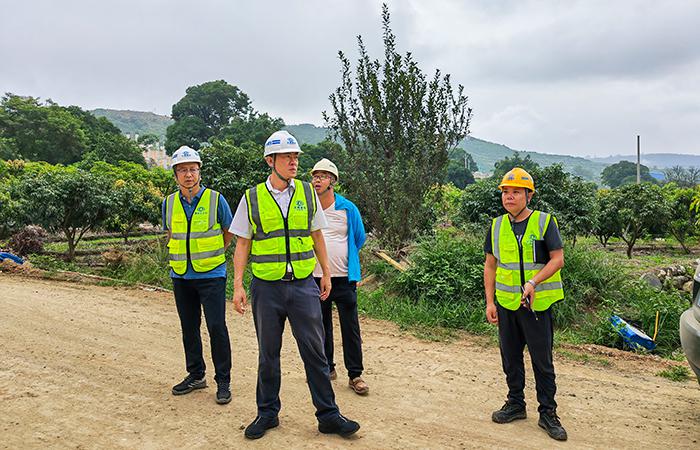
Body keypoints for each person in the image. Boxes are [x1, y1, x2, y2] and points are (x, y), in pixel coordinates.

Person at [229, 131, 360, 439]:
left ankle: (328, 415)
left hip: (303, 285)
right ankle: (267, 413)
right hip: (267, 288)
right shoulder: (252, 198)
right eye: (287, 156)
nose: (293, 162)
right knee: (268, 354)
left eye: (296, 157)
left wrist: (325, 272)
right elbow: (242, 244)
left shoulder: (306, 192)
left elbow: (317, 235)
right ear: (270, 161)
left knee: (315, 352)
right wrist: (237, 285)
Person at [483, 167, 568, 441]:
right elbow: (490, 265)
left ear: (529, 195)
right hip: (507, 304)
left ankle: (548, 413)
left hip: (537, 305)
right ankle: (516, 404)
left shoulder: (544, 222)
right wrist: (490, 302)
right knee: (510, 357)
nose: (509, 197)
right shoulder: (496, 226)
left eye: (516, 192)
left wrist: (533, 282)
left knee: (542, 362)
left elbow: (557, 259)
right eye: (505, 192)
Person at [163, 146, 234, 405]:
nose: (188, 175)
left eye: (193, 169)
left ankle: (223, 380)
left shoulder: (216, 199)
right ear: (176, 175)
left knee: (216, 327)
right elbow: (170, 233)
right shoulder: (169, 203)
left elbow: (229, 231)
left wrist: (214, 254)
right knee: (189, 327)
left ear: (200, 172)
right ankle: (196, 375)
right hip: (181, 275)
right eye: (183, 170)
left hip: (212, 274)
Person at [310, 158, 368, 395]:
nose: (317, 180)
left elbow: (359, 237)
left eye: (323, 176)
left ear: (332, 181)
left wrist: (344, 258)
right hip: (316, 277)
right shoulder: (309, 207)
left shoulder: (347, 208)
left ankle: (355, 375)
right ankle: (328, 367)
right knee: (320, 324)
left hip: (344, 277)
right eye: (315, 176)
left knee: (350, 327)